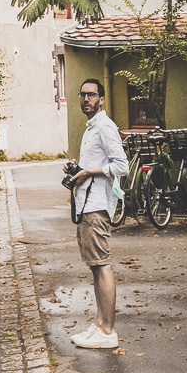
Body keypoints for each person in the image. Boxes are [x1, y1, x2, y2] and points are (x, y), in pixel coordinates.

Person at [65, 78, 128, 350]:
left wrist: (90, 172)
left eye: (92, 95)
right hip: (86, 204)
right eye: (82, 95)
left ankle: (108, 331)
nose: (86, 99)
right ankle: (100, 324)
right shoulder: (92, 127)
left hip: (97, 206)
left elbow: (121, 165)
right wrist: (79, 168)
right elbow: (97, 164)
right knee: (95, 265)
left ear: (101, 99)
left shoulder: (104, 126)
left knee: (102, 264)